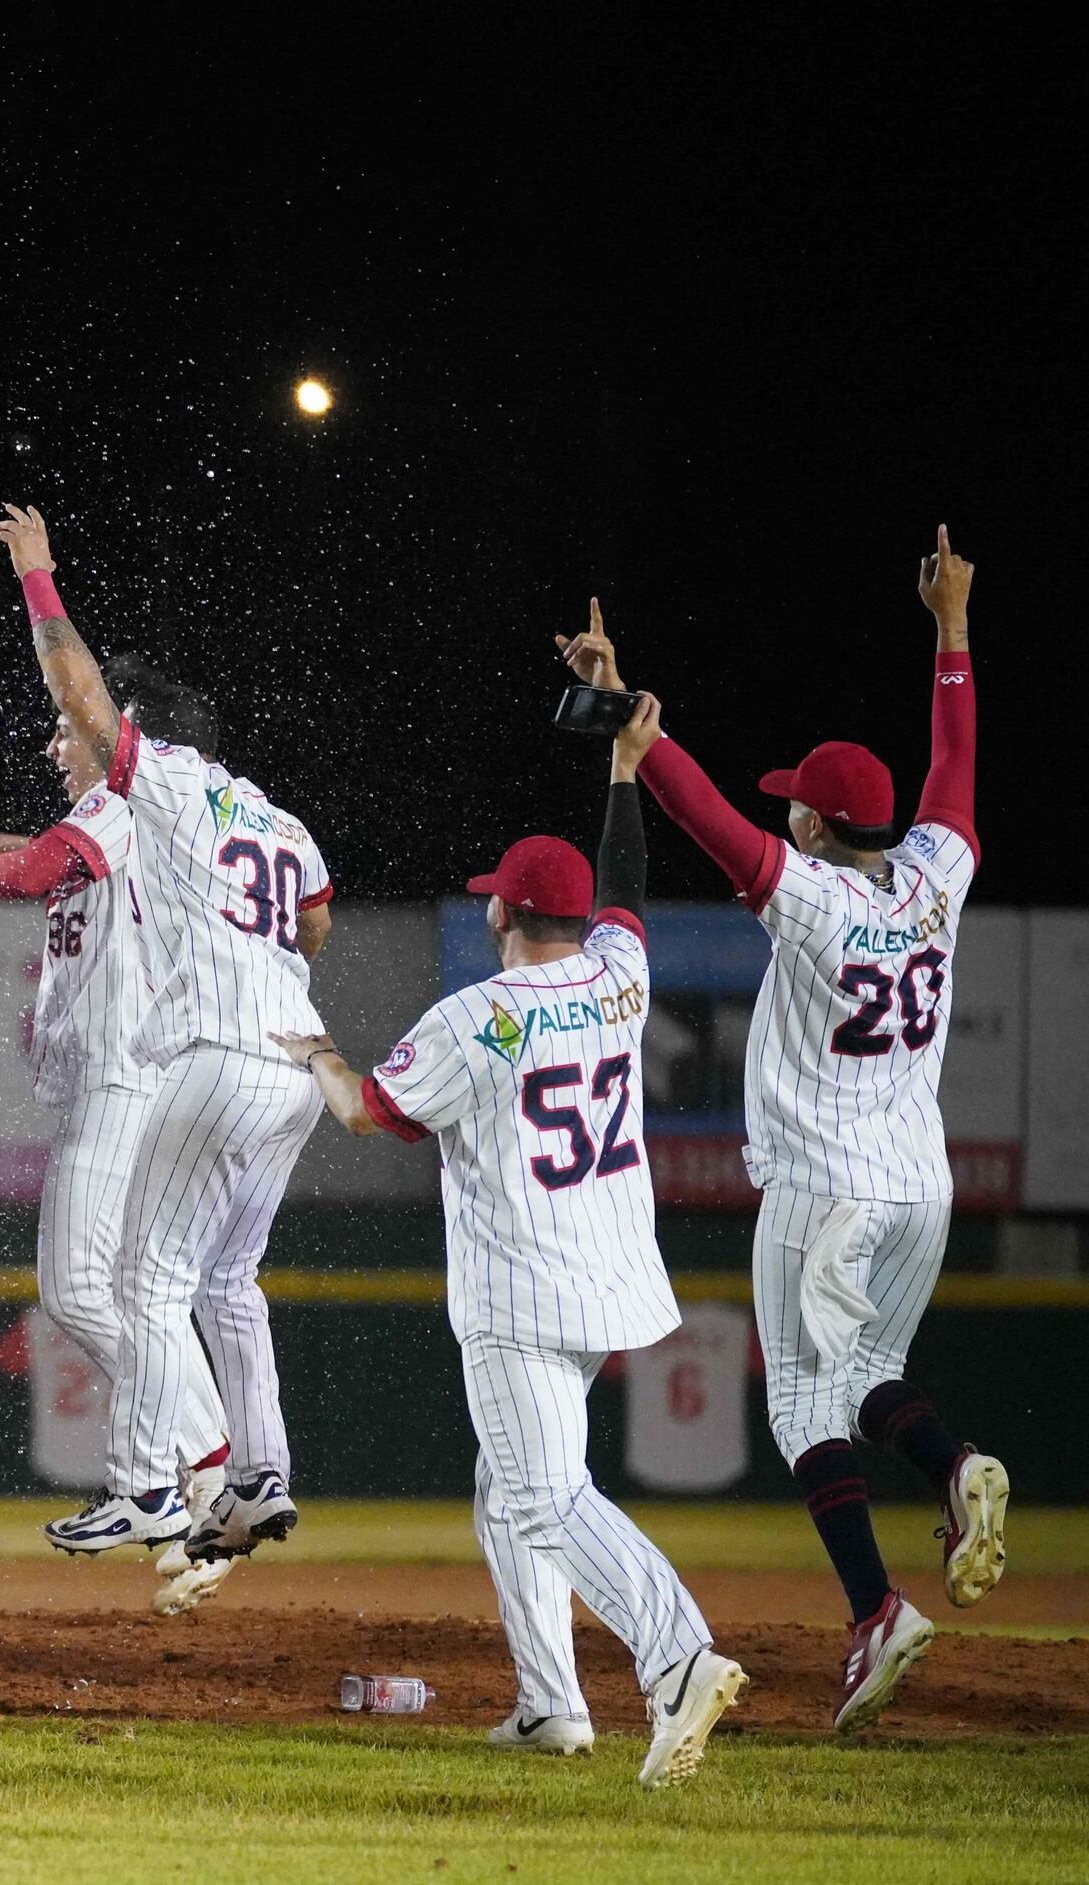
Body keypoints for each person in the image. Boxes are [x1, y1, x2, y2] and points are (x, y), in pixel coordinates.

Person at [269, 698, 747, 1789]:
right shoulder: (620, 976)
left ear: (505, 916)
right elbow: (623, 886)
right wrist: (624, 771)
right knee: (510, 1484)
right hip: (608, 1272)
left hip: (522, 1292)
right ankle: (550, 1706)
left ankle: (679, 1659)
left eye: (495, 902)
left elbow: (367, 1113)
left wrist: (316, 1052)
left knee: (543, 1496)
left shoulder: (480, 1015)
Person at [610, 529, 1007, 1730]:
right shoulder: (936, 872)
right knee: (870, 1372)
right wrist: (952, 633)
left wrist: (644, 739)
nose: (787, 816)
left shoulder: (820, 900)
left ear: (825, 829)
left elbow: (719, 829)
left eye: (801, 808)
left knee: (798, 1408)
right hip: (915, 1186)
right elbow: (953, 771)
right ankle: (951, 1466)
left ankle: (877, 1613)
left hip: (822, 1188)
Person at [0, 504, 333, 1565]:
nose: (94, 737)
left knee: (143, 1280)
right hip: (300, 1063)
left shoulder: (172, 784)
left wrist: (40, 579)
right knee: (230, 1284)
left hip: (219, 1058)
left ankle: (146, 1488)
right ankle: (259, 1475)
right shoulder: (278, 815)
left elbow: (81, 696)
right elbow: (314, 919)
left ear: (153, 735)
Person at [0, 675, 239, 1617]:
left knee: (77, 1288)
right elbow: (43, 857)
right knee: (123, 1294)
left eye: (66, 733)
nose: (53, 748)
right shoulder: (116, 820)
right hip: (115, 1078)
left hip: (123, 1080)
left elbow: (37, 873)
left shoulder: (128, 806)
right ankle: (206, 1477)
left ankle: (194, 1467)